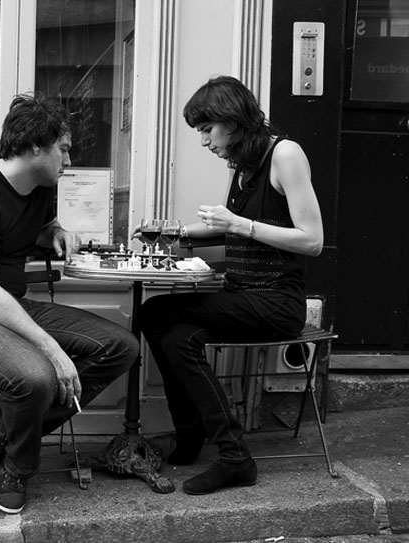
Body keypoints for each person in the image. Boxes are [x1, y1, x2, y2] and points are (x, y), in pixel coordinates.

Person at [0, 94, 140, 514]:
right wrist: (54, 350)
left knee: (122, 347)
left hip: (12, 305)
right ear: (37, 146)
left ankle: (8, 433)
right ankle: (18, 467)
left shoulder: (39, 189)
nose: (69, 158)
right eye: (64, 147)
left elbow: (32, 226)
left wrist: (54, 232)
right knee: (38, 376)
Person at [138, 75, 324, 495]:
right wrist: (173, 232)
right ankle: (202, 442)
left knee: (158, 315)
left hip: (276, 302)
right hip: (240, 297)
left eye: (207, 129)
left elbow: (311, 240)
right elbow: (232, 233)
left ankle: (228, 453)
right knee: (172, 334)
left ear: (233, 121)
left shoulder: (285, 155)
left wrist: (239, 223)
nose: (203, 141)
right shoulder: (243, 164)